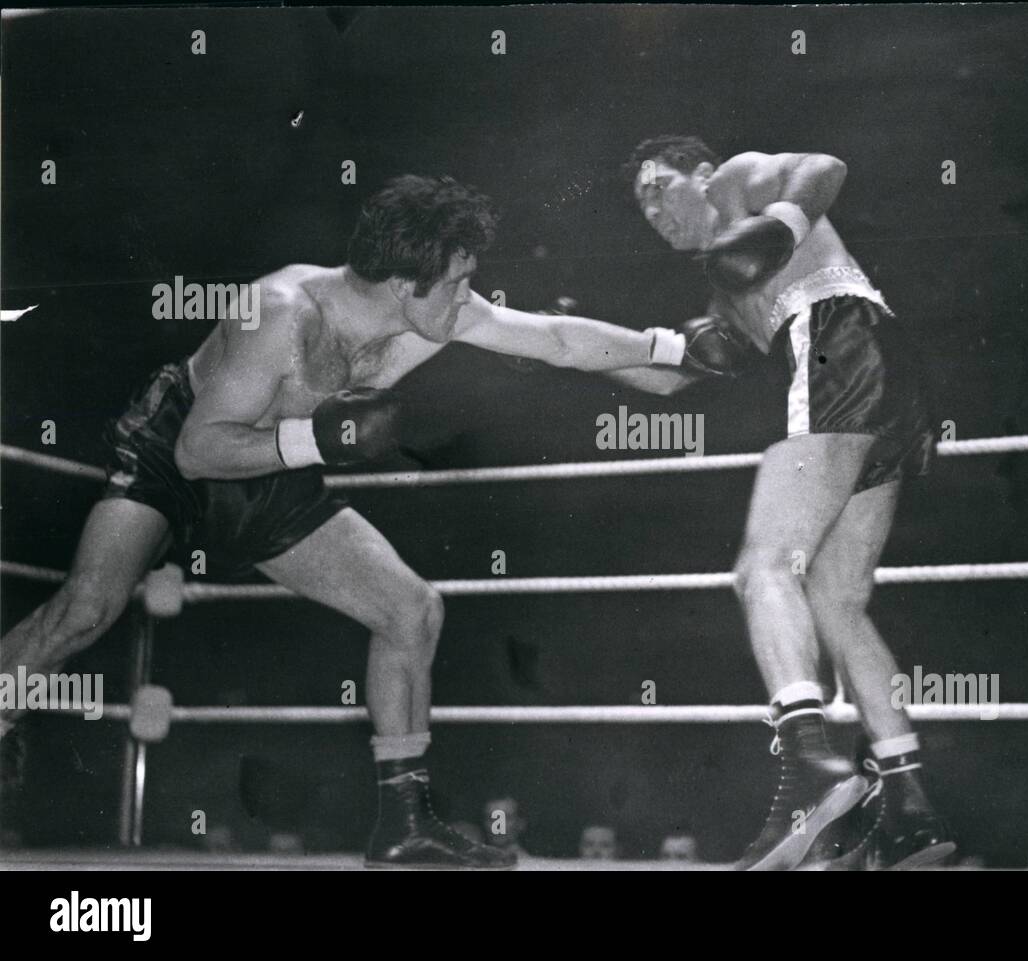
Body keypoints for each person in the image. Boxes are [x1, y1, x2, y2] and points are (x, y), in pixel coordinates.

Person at [0, 173, 732, 869]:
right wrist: (320, 440)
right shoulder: (282, 311)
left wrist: (672, 352)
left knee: (410, 609)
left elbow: (559, 339)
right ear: (402, 280)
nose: (468, 296)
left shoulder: (433, 312)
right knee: (84, 610)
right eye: (456, 282)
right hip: (179, 448)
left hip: (272, 472)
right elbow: (198, 450)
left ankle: (405, 824)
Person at [610, 135, 954, 870]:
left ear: (700, 175)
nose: (652, 208)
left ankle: (811, 773)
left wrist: (778, 226)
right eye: (640, 202)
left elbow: (827, 167)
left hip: (838, 341)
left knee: (763, 568)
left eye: (659, 185)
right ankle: (910, 805)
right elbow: (674, 376)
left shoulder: (738, 181)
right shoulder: (725, 292)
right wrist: (581, 359)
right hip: (887, 375)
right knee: (837, 599)